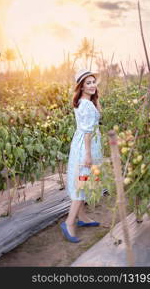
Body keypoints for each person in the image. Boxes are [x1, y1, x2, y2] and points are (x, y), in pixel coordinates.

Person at [60, 68, 103, 243]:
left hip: (85, 144)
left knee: (84, 183)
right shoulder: (85, 104)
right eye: (88, 83)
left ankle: (83, 217)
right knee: (82, 182)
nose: (92, 85)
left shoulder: (85, 102)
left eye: (94, 82)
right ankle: (69, 222)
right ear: (82, 87)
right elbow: (87, 131)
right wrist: (87, 154)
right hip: (86, 146)